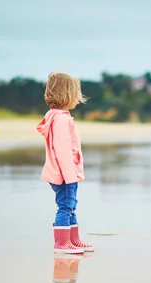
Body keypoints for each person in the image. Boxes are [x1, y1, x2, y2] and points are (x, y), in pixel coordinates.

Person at [36, 73, 93, 254]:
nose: (78, 99)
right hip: (64, 175)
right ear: (66, 95)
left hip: (64, 174)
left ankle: (73, 240)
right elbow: (62, 151)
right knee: (65, 207)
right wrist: (70, 177)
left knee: (71, 206)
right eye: (76, 95)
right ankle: (61, 243)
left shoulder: (58, 116)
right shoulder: (61, 119)